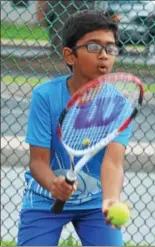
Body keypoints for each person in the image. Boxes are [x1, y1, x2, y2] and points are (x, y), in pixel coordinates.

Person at [17, 10, 133, 246]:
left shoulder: (119, 105)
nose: (104, 55)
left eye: (111, 48)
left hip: (95, 204)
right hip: (44, 199)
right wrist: (53, 185)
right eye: (93, 47)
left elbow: (113, 162)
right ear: (70, 56)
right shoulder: (46, 96)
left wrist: (110, 199)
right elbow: (38, 161)